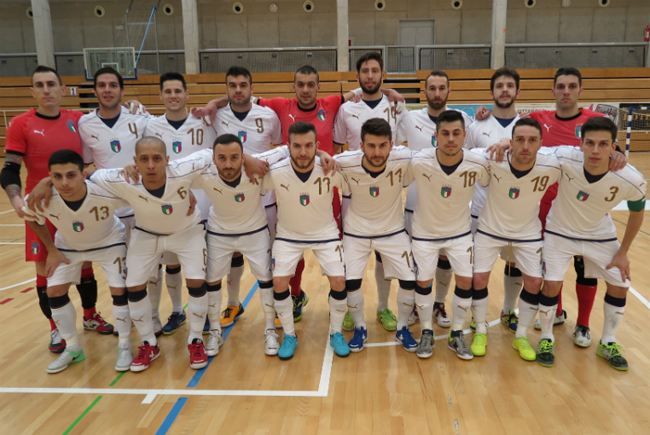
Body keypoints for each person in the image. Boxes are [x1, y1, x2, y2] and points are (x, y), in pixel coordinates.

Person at [195, 65, 404, 324]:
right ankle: (294, 294)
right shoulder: (280, 106)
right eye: (301, 84)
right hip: (291, 184)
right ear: (294, 87)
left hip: (326, 186)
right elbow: (242, 96)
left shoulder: (332, 103)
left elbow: (367, 88)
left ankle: (338, 298)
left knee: (336, 248)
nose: (306, 89)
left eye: (311, 84)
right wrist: (214, 102)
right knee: (288, 247)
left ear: (319, 87)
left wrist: (389, 90)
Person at [1, 65, 112, 354]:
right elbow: (10, 169)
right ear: (33, 91)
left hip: (77, 205)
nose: (46, 90)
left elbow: (93, 159)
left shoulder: (79, 119)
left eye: (51, 84)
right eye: (40, 85)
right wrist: (16, 201)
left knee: (84, 263)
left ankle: (90, 316)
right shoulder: (21, 124)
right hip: (40, 209)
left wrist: (134, 105)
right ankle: (56, 330)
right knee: (47, 268)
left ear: (64, 90)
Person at [88, 137, 211, 372]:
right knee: (133, 286)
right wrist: (45, 183)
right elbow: (90, 176)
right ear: (135, 162)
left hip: (187, 231)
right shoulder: (124, 178)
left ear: (167, 159)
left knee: (196, 281)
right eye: (144, 159)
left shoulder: (182, 169)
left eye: (157, 159)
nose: (151, 165)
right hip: (147, 234)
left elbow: (209, 152)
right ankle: (148, 344)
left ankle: (195, 340)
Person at [528, 67, 626, 347]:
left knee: (586, 269)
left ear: (581, 90)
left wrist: (619, 155)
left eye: (572, 86)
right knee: (553, 268)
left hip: (588, 209)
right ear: (553, 91)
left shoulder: (594, 121)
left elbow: (613, 151)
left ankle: (583, 325)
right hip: (548, 207)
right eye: (561, 87)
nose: (566, 92)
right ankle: (556, 313)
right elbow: (517, 137)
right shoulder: (538, 119)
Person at [540, 117, 646, 370]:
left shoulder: (631, 178)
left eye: (603, 144)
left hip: (599, 235)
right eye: (590, 143)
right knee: (552, 283)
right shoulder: (566, 157)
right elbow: (532, 149)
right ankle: (546, 337)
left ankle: (608, 342)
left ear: (614, 147)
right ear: (581, 144)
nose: (596, 150)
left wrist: (623, 253)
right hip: (560, 231)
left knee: (620, 284)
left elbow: (637, 212)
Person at [23, 150, 132, 373]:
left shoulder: (105, 188)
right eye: (57, 176)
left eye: (71, 175)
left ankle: (125, 345)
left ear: (84, 174)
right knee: (53, 292)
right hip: (68, 246)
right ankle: (73, 348)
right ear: (50, 177)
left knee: (119, 289)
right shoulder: (41, 197)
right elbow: (31, 218)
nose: (64, 182)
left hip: (109, 242)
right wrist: (51, 249)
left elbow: (141, 191)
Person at [471, 118, 562, 359]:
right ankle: (480, 329)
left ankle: (521, 335)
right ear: (511, 142)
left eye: (532, 140)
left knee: (533, 283)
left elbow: (577, 155)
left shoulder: (552, 164)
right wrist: (499, 142)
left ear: (541, 144)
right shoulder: (492, 157)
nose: (525, 146)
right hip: (490, 229)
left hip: (528, 233)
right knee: (478, 279)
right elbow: (462, 151)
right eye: (519, 140)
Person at [332, 52, 407, 332]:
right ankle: (352, 309)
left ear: (382, 75)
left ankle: (383, 307)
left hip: (386, 191)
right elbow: (339, 144)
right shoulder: (346, 108)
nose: (370, 75)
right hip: (353, 192)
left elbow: (401, 143)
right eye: (365, 71)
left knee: (383, 255)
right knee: (352, 257)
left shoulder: (396, 105)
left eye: (375, 71)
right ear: (358, 76)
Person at [263, 122, 350, 360]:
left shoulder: (331, 169)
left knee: (340, 280)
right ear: (288, 146)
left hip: (325, 233)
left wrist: (326, 156)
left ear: (317, 146)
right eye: (297, 146)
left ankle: (336, 333)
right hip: (288, 235)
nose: (303, 152)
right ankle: (290, 335)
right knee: (279, 282)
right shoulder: (276, 172)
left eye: (309, 146)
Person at [407, 110, 490, 359]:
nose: (451, 138)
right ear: (436, 136)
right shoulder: (418, 161)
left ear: (465, 135)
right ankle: (426, 333)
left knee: (465, 282)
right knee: (423, 282)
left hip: (460, 233)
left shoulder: (478, 162)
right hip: (424, 232)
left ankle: (456, 334)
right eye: (445, 133)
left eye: (456, 133)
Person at [396, 69, 474, 329]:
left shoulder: (465, 119)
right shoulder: (409, 119)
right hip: (416, 206)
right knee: (417, 265)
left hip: (451, 209)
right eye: (432, 88)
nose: (437, 93)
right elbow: (392, 148)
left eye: (442, 88)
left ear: (449, 91)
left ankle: (439, 303)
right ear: (425, 91)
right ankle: (419, 306)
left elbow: (477, 152)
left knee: (446, 259)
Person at [143, 72, 218, 336]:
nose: (173, 96)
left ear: (187, 95)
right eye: (168, 91)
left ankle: (209, 311)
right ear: (161, 95)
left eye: (178, 91)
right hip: (168, 208)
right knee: (171, 262)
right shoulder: (151, 127)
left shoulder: (206, 122)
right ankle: (177, 311)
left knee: (203, 264)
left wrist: (215, 103)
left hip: (205, 205)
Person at [335, 118, 417, 354]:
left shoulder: (403, 158)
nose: (377, 151)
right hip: (356, 232)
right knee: (350, 282)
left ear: (391, 145)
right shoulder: (345, 162)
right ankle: (360, 326)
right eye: (371, 146)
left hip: (392, 231)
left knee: (410, 279)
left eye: (383, 145)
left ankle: (402, 327)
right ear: (361, 145)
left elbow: (432, 154)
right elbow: (318, 160)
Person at [213, 66, 283, 328]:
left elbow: (277, 145)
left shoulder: (268, 115)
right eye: (232, 85)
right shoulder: (216, 116)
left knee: (271, 254)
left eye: (243, 85)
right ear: (227, 89)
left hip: (264, 199)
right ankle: (233, 303)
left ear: (252, 89)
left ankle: (275, 305)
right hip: (230, 200)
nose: (238, 90)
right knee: (233, 253)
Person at [464, 67, 524, 334]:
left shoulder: (526, 128)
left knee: (515, 264)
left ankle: (509, 310)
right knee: (479, 270)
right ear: (492, 92)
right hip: (480, 211)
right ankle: (478, 318)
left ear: (517, 92)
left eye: (509, 86)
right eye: (499, 86)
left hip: (515, 212)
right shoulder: (476, 127)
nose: (504, 90)